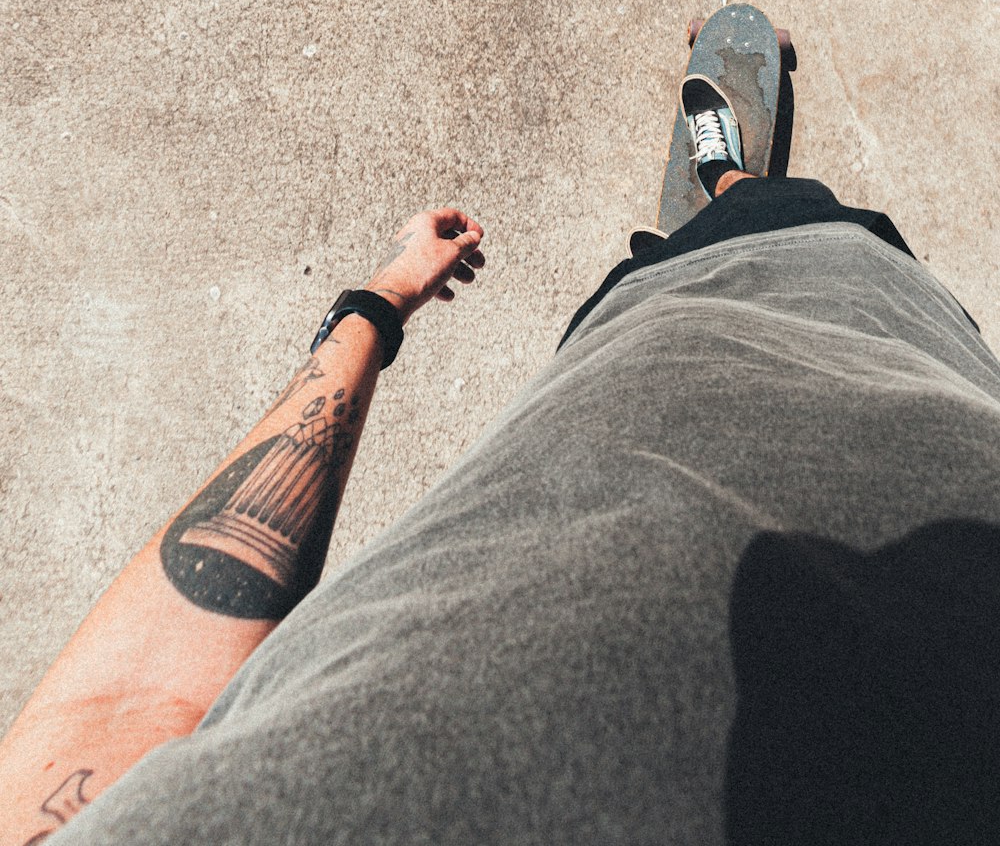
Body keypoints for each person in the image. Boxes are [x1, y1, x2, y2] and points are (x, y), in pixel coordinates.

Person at [2, 75, 998, 845]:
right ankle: (733, 191)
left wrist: (378, 302)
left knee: (656, 284)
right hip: (874, 372)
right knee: (806, 234)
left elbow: (130, 697)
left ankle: (713, 196)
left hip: (634, 380)